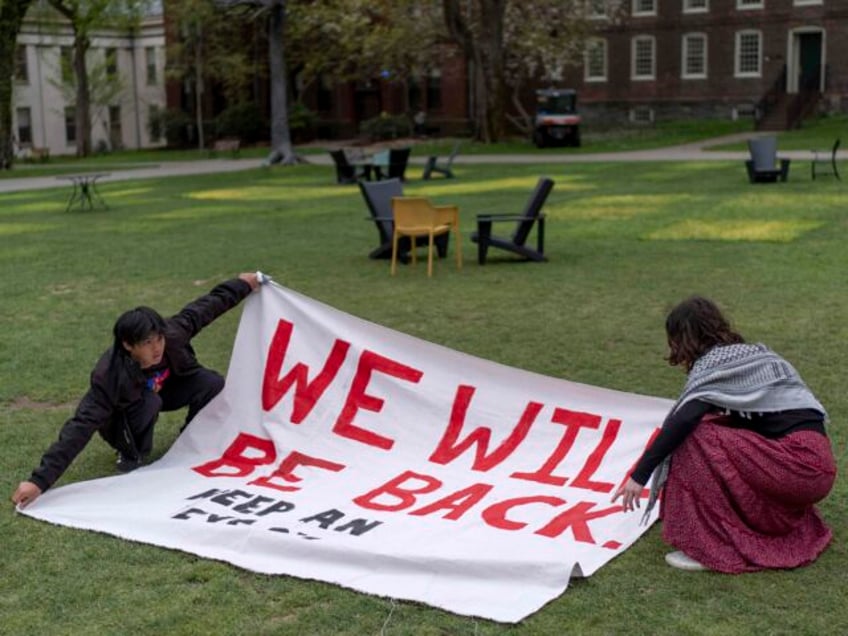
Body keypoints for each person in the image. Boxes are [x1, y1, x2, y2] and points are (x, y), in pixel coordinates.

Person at [612, 296, 836, 573]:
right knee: (711, 425)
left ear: (682, 338)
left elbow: (685, 418)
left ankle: (710, 546)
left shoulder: (717, 366)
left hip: (796, 465)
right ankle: (740, 529)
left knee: (696, 435)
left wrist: (639, 475)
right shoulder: (755, 356)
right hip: (816, 467)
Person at [11, 273, 263, 508]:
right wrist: (39, 481)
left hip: (164, 392)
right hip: (125, 416)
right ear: (128, 345)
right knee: (149, 401)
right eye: (147, 343)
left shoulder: (172, 335)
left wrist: (243, 284)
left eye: (159, 340)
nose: (157, 349)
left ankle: (192, 439)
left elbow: (205, 308)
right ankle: (130, 451)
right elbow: (80, 426)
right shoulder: (109, 375)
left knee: (211, 382)